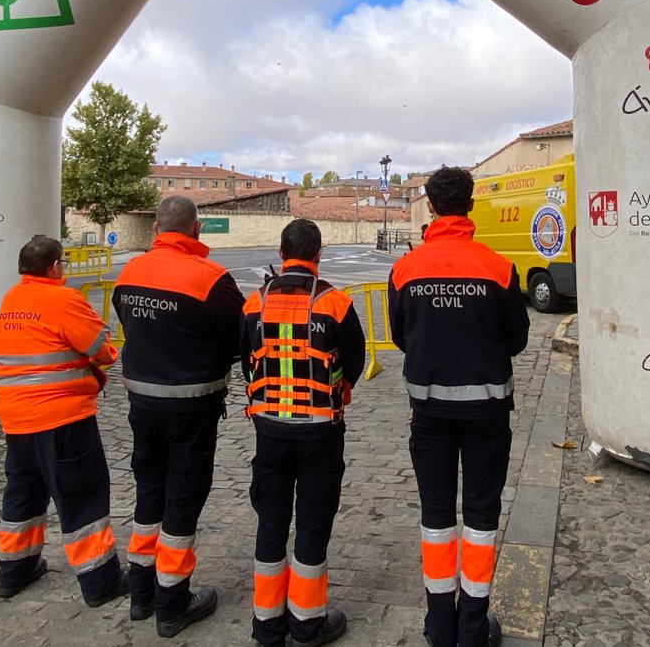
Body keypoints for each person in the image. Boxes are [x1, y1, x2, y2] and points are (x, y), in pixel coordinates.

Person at [387, 167, 530, 647]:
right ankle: (473, 626)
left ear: (430, 205)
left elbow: (398, 337)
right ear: (470, 205)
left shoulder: (406, 269)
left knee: (436, 516)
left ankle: (439, 625)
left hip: (429, 416)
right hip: (487, 415)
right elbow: (517, 340)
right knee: (482, 517)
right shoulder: (499, 268)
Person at [112, 195, 245, 638]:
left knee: (149, 490)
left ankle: (141, 593)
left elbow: (130, 326)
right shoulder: (211, 279)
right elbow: (238, 339)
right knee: (184, 496)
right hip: (192, 404)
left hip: (141, 404)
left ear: (155, 230)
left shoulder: (128, 273)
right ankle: (172, 601)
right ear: (197, 229)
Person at [240, 220, 365, 647]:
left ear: (280, 252)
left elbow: (246, 363)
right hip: (320, 432)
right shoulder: (334, 303)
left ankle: (266, 622)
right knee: (312, 522)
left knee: (271, 521)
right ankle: (307, 623)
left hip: (269, 430)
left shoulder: (254, 302)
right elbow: (357, 363)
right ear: (319, 255)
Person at [0, 235, 129, 607]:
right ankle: (101, 580)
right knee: (82, 496)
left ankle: (14, 571)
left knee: (23, 494)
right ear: (55, 267)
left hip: (15, 419)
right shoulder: (63, 299)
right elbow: (103, 350)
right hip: (61, 418)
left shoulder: (11, 299)